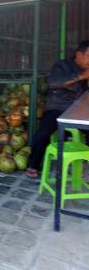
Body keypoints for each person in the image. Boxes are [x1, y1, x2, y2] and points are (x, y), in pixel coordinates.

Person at [26, 40, 89, 178]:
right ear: (79, 54)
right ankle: (33, 164)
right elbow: (54, 83)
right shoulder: (62, 65)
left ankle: (82, 159)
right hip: (57, 108)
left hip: (78, 111)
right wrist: (81, 77)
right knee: (43, 134)